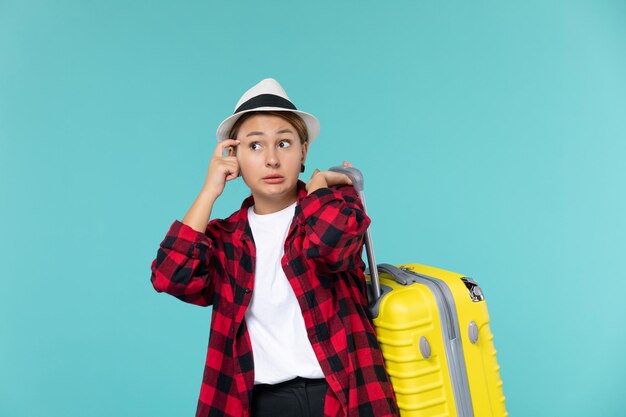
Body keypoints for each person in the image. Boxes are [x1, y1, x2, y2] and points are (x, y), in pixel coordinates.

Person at [150, 78, 399, 417]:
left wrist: (321, 187)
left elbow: (331, 247)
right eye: (254, 146)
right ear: (234, 157)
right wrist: (209, 191)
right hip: (259, 402)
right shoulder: (226, 240)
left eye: (284, 143)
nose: (270, 159)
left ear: (303, 152)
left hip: (343, 395)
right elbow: (170, 276)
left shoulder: (335, 205)